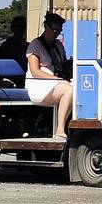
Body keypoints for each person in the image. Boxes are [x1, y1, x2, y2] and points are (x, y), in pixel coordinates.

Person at [25, 11, 74, 140]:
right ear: (46, 27)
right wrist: (55, 78)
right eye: (54, 30)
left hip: (57, 81)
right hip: (38, 83)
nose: (56, 34)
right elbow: (35, 71)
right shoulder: (35, 45)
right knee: (68, 90)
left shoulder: (58, 45)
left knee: (79, 88)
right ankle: (60, 128)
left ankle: (76, 126)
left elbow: (63, 65)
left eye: (59, 31)